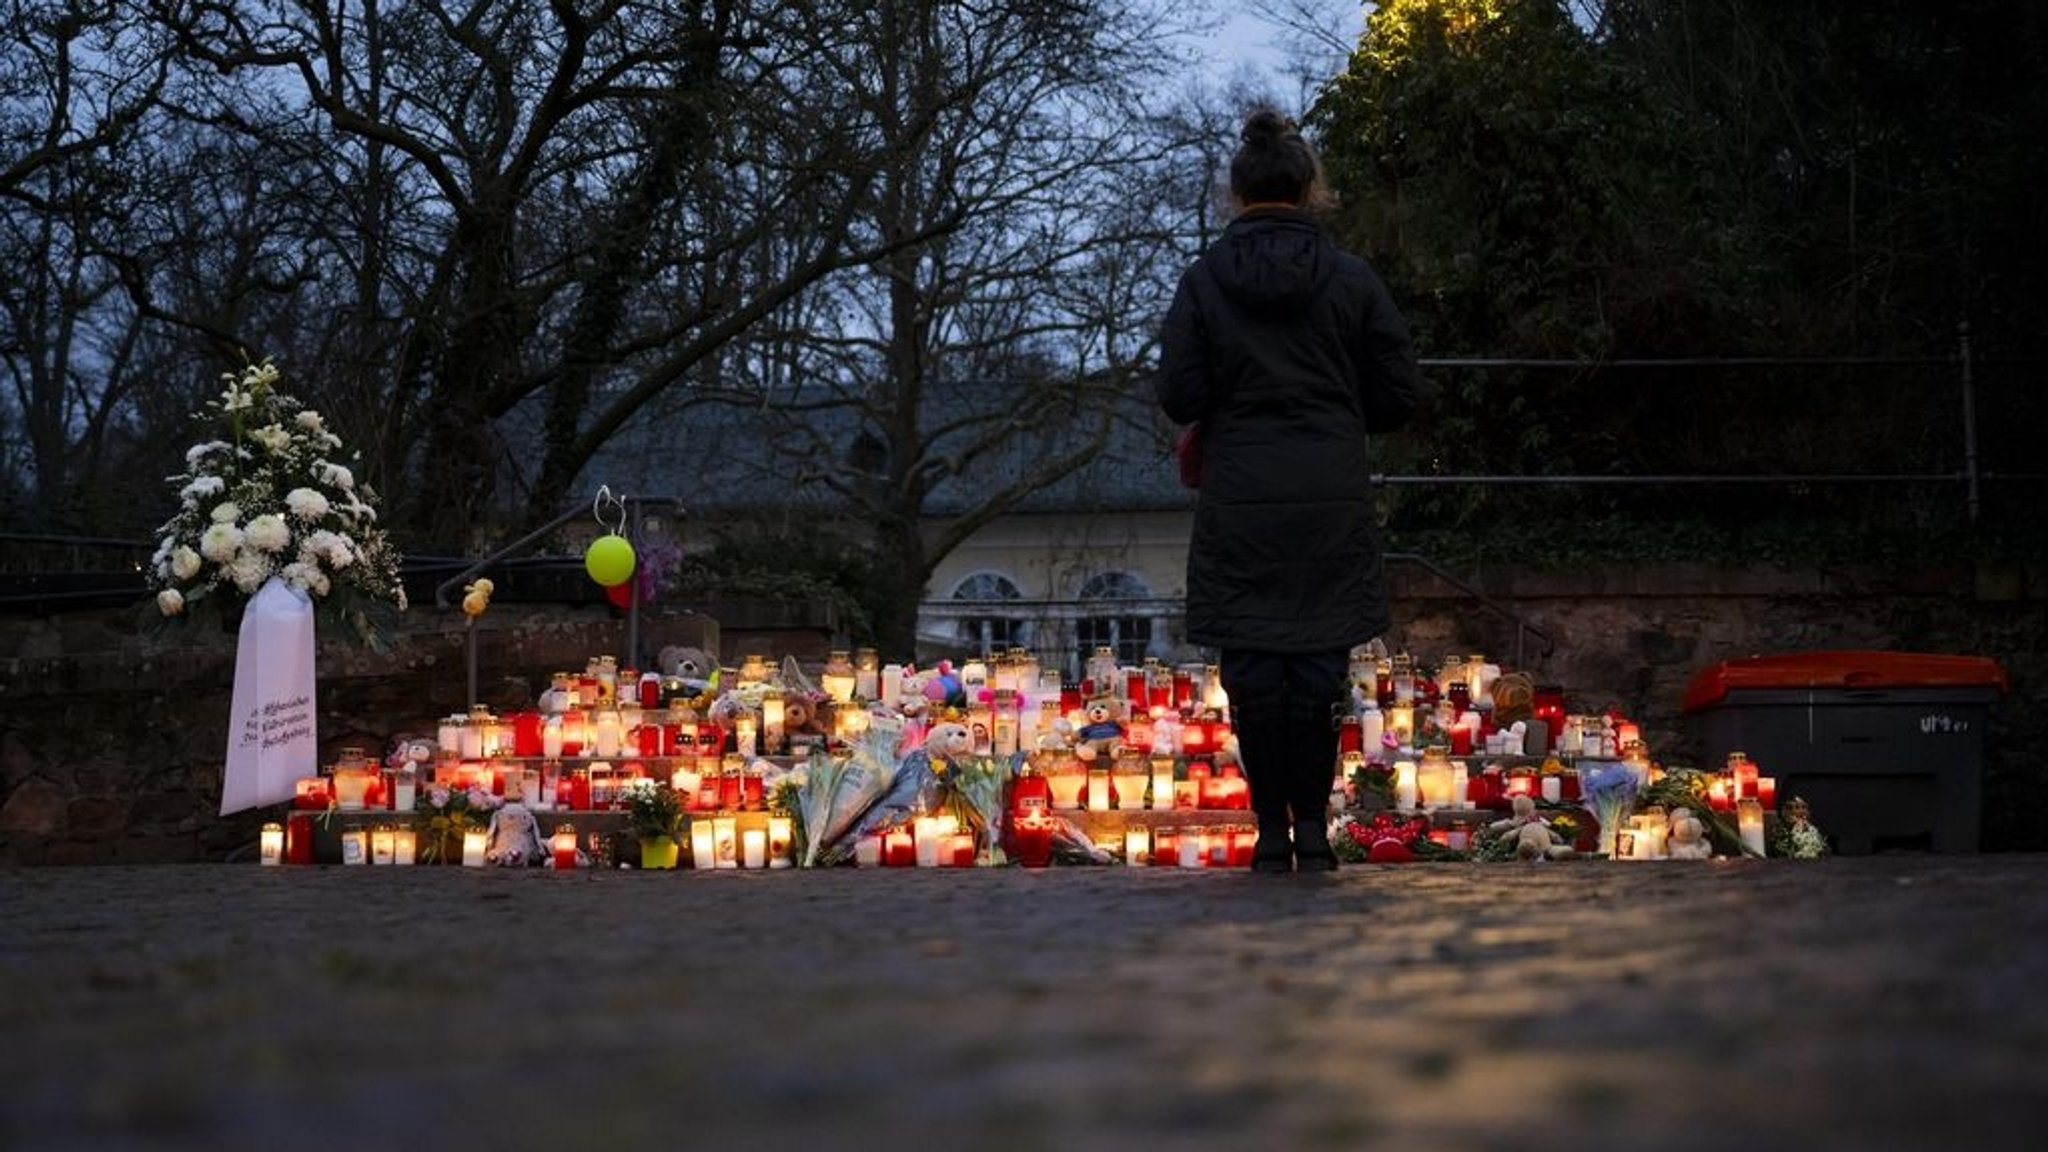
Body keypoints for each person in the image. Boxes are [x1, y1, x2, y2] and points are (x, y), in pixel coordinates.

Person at [1156, 106, 1424, 873]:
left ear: (1235, 196)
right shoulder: (1350, 280)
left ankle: (1270, 832)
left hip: (1241, 495)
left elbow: (1180, 392)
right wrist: (1338, 411)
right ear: (1310, 190)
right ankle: (1311, 825)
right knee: (1315, 673)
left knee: (1253, 675)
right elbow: (1399, 394)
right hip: (1327, 494)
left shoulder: (1205, 282)